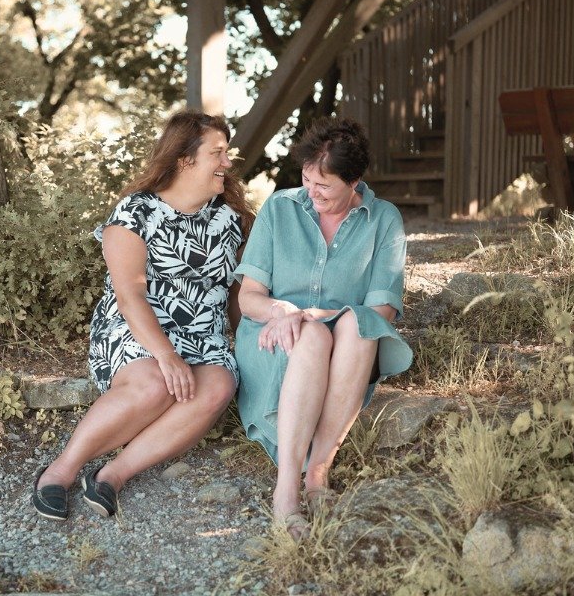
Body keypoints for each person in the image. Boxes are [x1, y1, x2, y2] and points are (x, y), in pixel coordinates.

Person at [32, 110, 254, 520]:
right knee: (158, 384)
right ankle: (60, 470)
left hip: (204, 337)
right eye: (218, 153)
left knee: (218, 387)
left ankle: (112, 475)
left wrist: (252, 341)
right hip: (137, 327)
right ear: (185, 159)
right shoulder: (135, 212)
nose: (227, 162)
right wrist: (167, 355)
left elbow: (242, 292)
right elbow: (129, 292)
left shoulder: (232, 219)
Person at [234, 117, 413, 539]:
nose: (311, 193)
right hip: (273, 338)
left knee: (355, 324)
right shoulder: (280, 208)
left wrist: (315, 315)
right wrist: (283, 311)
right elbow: (248, 298)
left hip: (347, 347)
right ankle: (286, 493)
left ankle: (318, 474)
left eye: (324, 186)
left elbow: (381, 311)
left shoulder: (383, 219)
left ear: (355, 181)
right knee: (311, 334)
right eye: (307, 180)